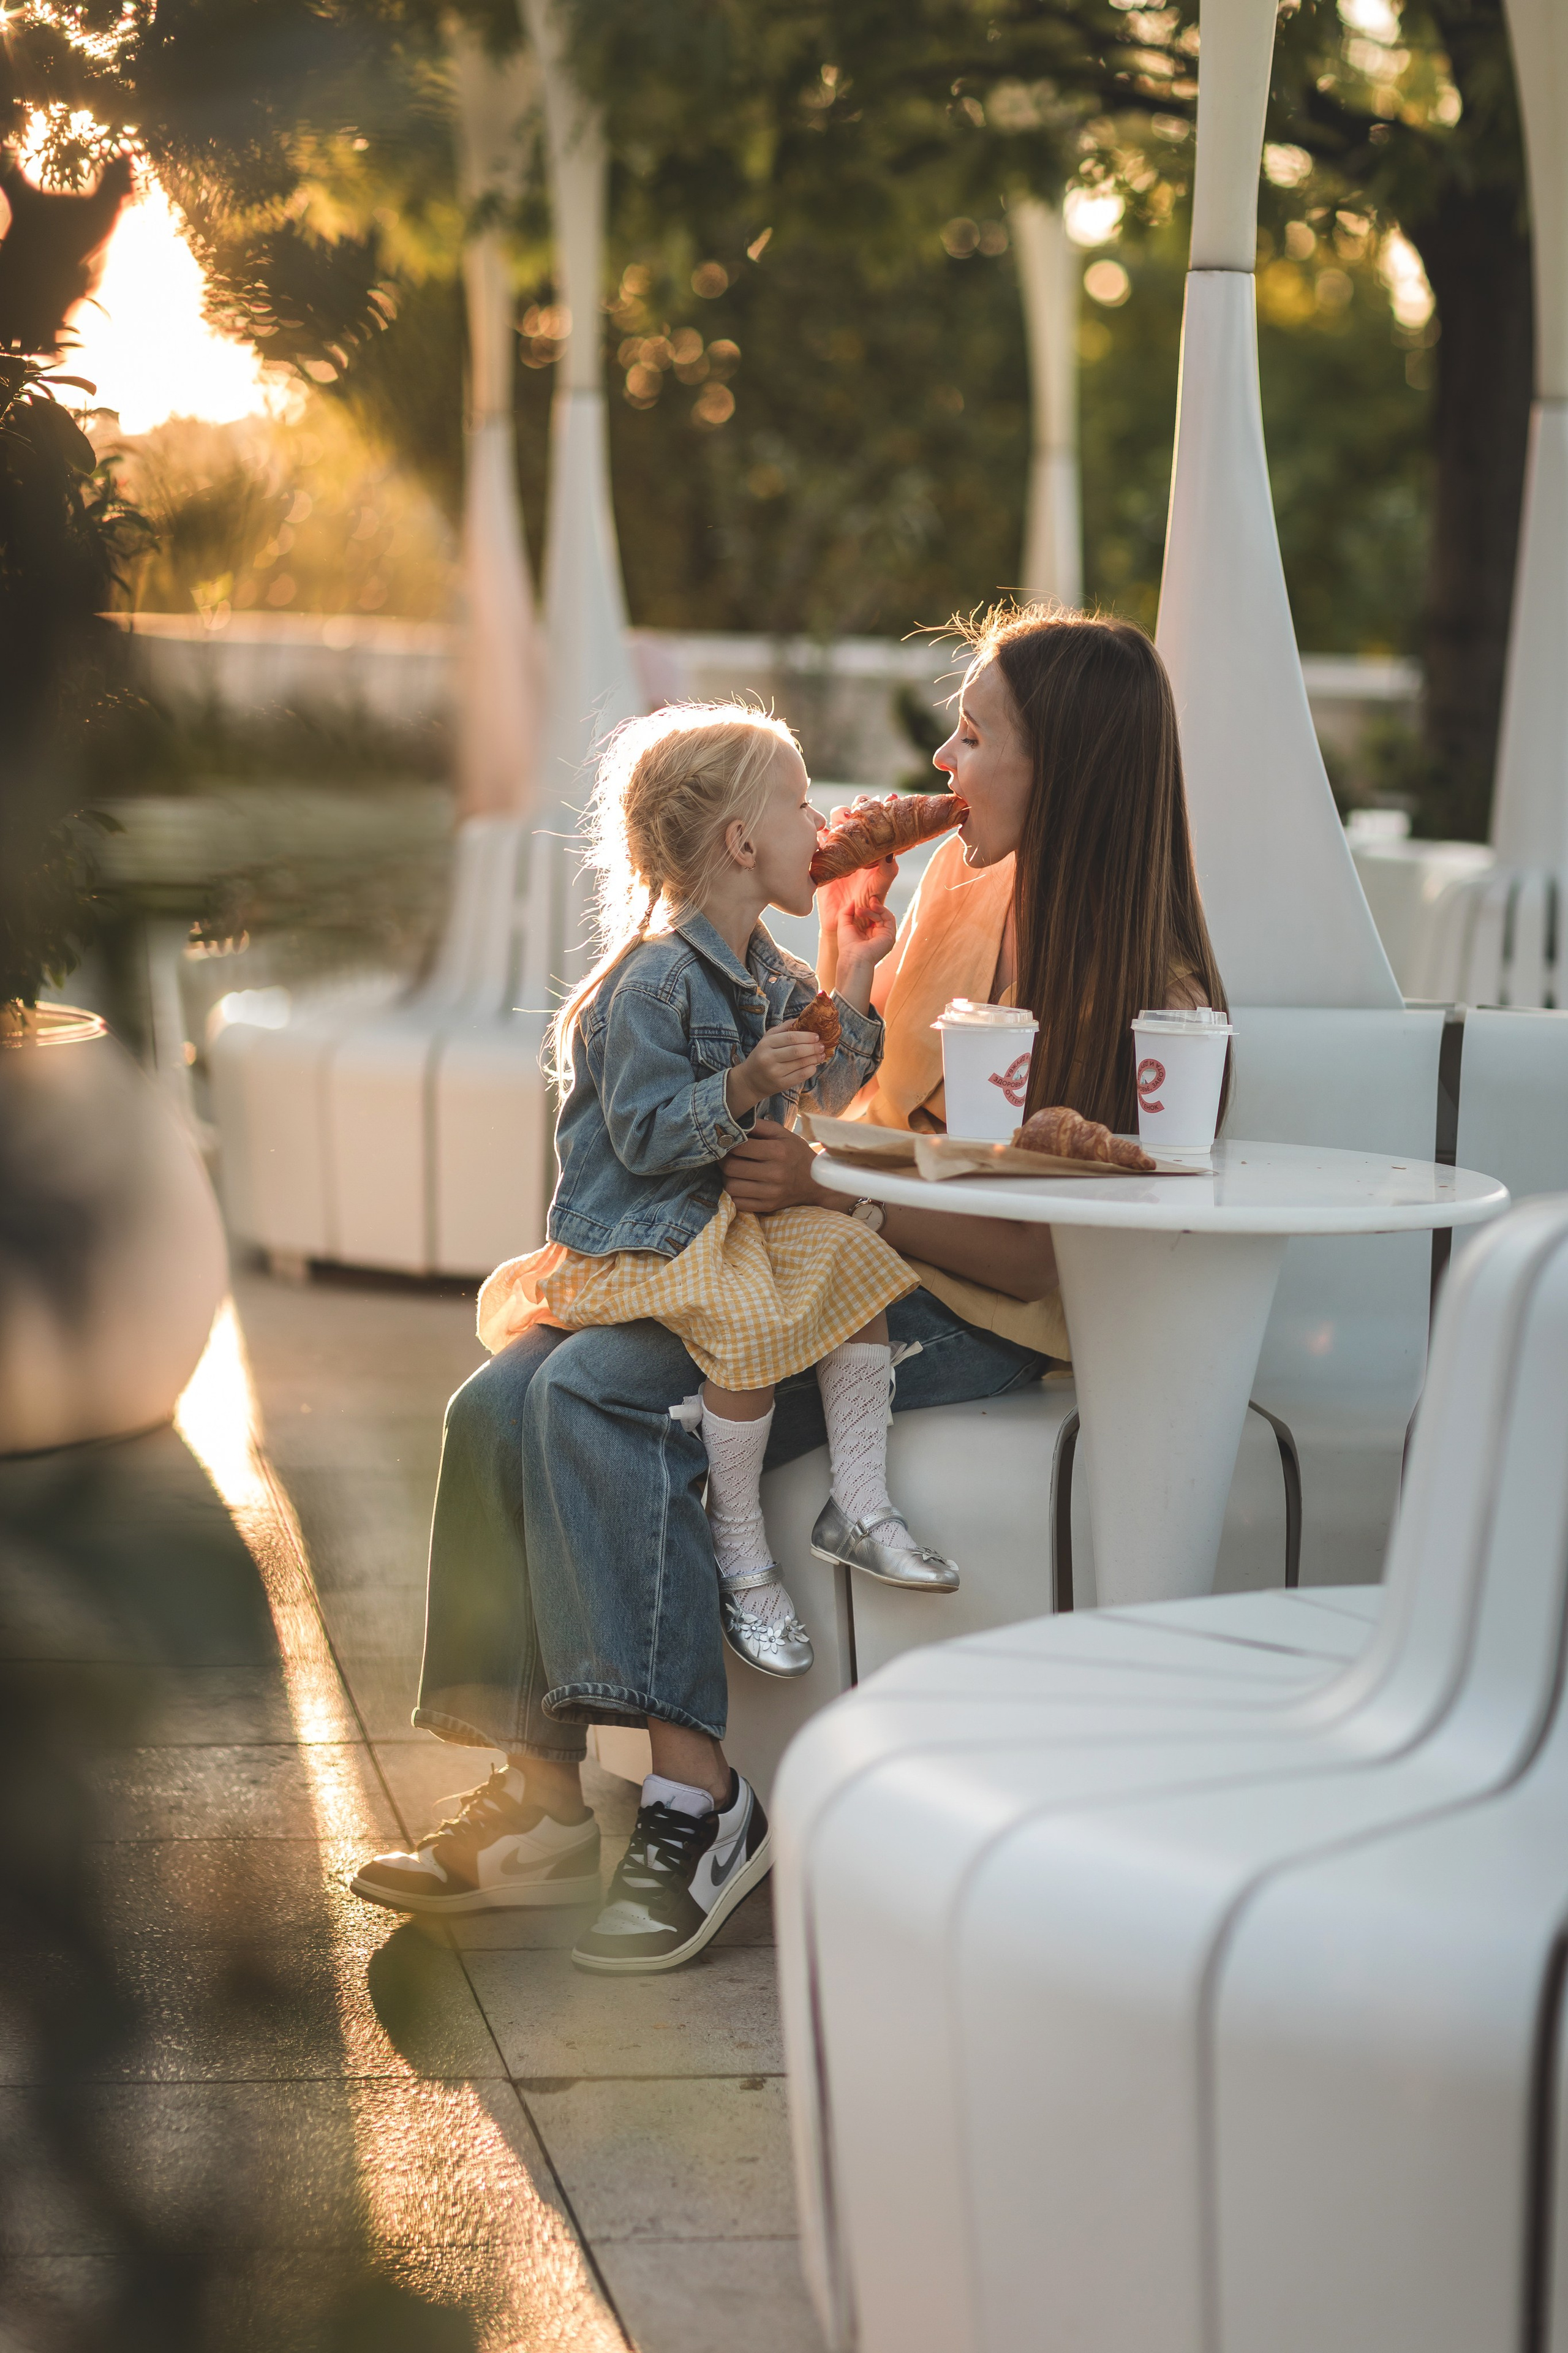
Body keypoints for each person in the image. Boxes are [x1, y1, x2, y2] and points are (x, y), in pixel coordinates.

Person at [352, 605, 1227, 1974]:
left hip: (963, 1308)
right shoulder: (954, 891)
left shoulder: (1144, 989)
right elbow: (864, 1105)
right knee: (493, 1398)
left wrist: (825, 1194)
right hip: (830, 1244)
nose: (941, 760)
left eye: (975, 734)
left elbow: (1028, 1255)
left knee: (591, 1394)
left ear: (1059, 766)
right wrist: (844, 958)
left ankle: (697, 1802)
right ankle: (536, 1801)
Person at [475, 703, 959, 1699]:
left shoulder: (769, 973)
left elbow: (826, 1091)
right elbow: (648, 1135)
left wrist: (855, 976)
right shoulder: (650, 985)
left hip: (723, 1234)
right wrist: (741, 1087)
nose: (821, 828)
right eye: (800, 804)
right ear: (742, 842)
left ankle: (859, 1503)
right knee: (747, 1321)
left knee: (857, 1261)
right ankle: (741, 1554)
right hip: (646, 1245)